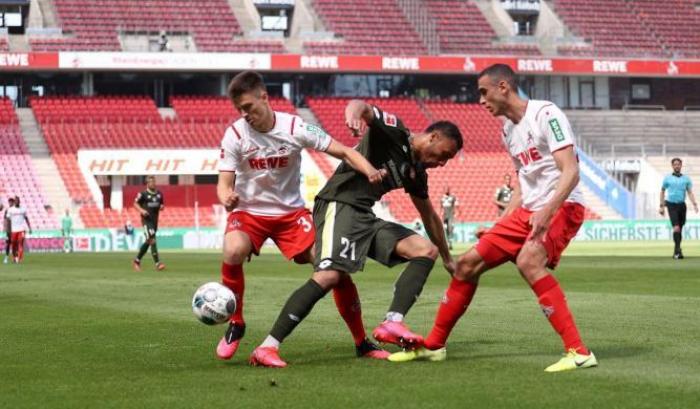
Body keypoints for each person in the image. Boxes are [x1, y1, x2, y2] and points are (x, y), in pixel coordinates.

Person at [389, 63, 597, 373]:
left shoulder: (545, 114)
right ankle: (434, 346)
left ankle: (579, 352)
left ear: (504, 87)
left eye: (484, 92)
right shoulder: (508, 130)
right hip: (530, 209)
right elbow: (522, 182)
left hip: (564, 205)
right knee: (465, 265)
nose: (481, 100)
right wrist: (502, 224)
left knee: (528, 261)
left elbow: (571, 171)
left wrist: (547, 212)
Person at [249, 99, 463, 368]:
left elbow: (429, 215)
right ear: (433, 137)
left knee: (424, 250)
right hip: (338, 204)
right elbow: (362, 106)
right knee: (329, 275)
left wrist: (446, 257)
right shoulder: (395, 133)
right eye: (444, 154)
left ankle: (392, 323)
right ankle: (267, 347)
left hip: (364, 215)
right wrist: (353, 117)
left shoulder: (416, 173)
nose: (443, 163)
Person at [215, 71, 388, 362]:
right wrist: (226, 197)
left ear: (264, 98)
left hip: (291, 214)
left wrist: (369, 170)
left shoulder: (295, 127)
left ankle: (362, 343)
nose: (245, 115)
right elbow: (223, 182)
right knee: (233, 249)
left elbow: (344, 151)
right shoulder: (235, 134)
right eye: (240, 110)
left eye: (248, 107)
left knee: (334, 268)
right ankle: (236, 323)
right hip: (249, 213)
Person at [659, 157, 698, 259]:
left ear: (681, 165)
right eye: (675, 164)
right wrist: (662, 206)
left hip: (682, 205)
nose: (677, 166)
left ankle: (677, 249)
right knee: (676, 227)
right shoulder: (667, 178)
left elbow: (689, 192)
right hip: (671, 204)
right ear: (672, 166)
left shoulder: (686, 179)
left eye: (678, 164)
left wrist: (694, 204)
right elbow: (662, 191)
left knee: (679, 228)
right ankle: (677, 251)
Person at [132, 176, 165, 271]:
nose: (153, 183)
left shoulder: (159, 194)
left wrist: (162, 207)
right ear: (147, 183)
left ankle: (137, 261)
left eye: (154, 181)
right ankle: (158, 263)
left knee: (148, 241)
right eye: (151, 182)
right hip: (146, 221)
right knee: (152, 239)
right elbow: (135, 204)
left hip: (155, 221)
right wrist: (142, 210)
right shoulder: (143, 194)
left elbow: (161, 204)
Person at [7, 196, 32, 263]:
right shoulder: (10, 210)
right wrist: (8, 230)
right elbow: (8, 220)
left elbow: (26, 218)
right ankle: (14, 258)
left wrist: (29, 227)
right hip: (13, 230)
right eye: (16, 201)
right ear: (14, 202)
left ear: (20, 201)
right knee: (13, 245)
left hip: (21, 229)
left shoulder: (23, 209)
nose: (17, 202)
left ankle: (19, 259)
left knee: (20, 244)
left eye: (18, 200)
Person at [3, 196, 13, 264]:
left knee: (15, 244)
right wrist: (5, 229)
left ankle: (15, 257)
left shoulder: (16, 209)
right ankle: (6, 257)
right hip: (9, 230)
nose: (10, 203)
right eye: (9, 202)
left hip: (15, 229)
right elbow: (5, 219)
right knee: (8, 243)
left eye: (11, 202)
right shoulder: (7, 210)